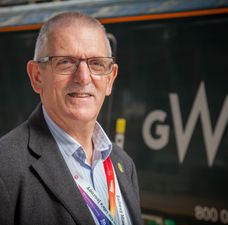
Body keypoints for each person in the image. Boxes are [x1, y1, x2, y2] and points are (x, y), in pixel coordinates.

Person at [0, 12, 142, 225]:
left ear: (110, 79)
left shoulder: (124, 165)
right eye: (66, 62)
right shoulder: (5, 169)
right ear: (37, 76)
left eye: (96, 64)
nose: (83, 77)